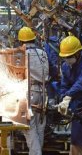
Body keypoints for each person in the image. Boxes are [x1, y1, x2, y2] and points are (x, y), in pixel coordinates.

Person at [18, 26, 49, 155]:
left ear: (21, 41)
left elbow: (18, 74)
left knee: (29, 130)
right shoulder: (42, 53)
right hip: (43, 94)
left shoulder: (23, 54)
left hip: (30, 93)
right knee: (39, 129)